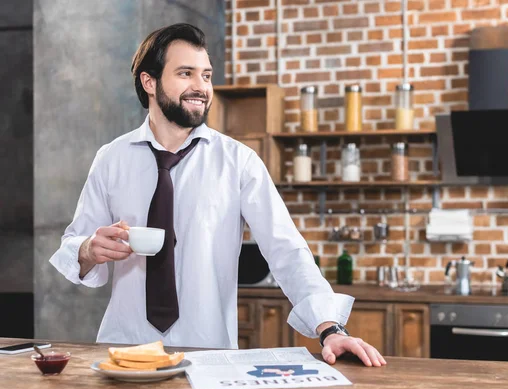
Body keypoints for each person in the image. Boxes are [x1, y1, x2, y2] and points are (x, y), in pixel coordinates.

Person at [50, 23, 385, 368]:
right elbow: (75, 243)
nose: (201, 87)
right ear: (149, 82)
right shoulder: (111, 158)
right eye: (186, 73)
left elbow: (287, 251)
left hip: (210, 359)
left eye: (206, 76)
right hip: (123, 353)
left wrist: (331, 329)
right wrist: (89, 249)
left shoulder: (239, 162)